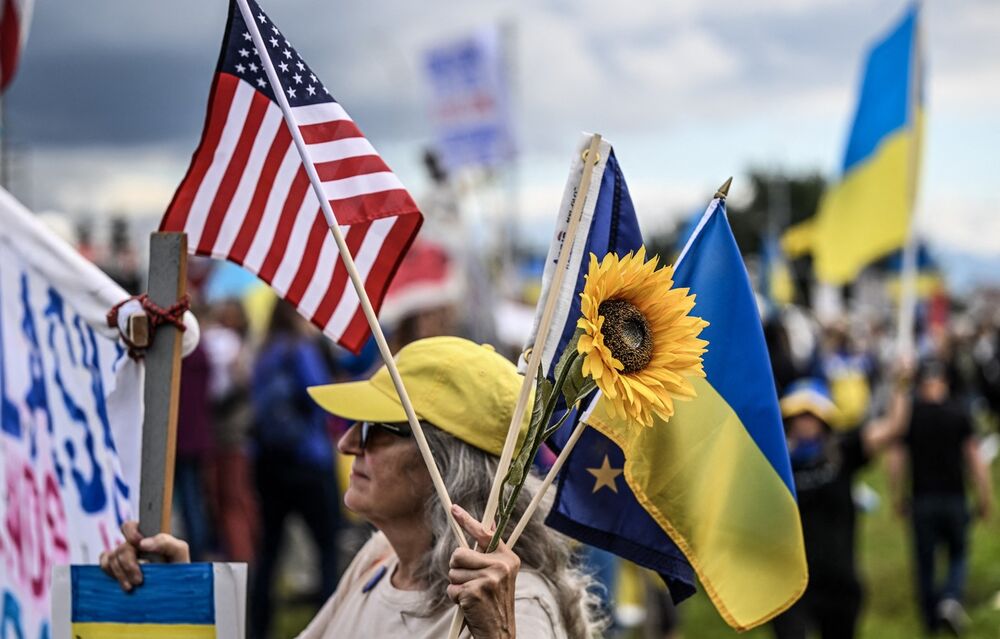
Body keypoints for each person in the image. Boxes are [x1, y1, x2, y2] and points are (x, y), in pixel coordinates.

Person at [101, 336, 603, 638]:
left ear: (448, 463)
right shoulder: (380, 558)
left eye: (375, 429)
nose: (346, 444)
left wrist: (498, 635)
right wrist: (180, 597)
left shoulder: (513, 605)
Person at [771, 376, 908, 639]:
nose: (805, 422)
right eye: (799, 415)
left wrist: (901, 384)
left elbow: (894, 427)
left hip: (839, 583)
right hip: (791, 585)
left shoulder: (843, 451)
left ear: (825, 419)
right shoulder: (775, 460)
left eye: (811, 415)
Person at [249, 300, 341, 638]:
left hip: (269, 463)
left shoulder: (265, 352)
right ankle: (331, 626)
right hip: (309, 461)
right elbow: (323, 396)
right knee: (327, 547)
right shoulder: (302, 349)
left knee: (269, 550)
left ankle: (259, 626)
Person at [887, 359, 993, 635]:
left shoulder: (911, 416)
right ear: (944, 381)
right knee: (958, 553)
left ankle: (930, 620)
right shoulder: (959, 412)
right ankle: (950, 598)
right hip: (955, 497)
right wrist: (985, 496)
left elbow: (897, 459)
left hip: (922, 499)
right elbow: (975, 459)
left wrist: (896, 495)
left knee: (924, 561)